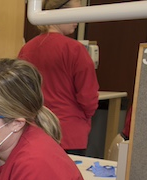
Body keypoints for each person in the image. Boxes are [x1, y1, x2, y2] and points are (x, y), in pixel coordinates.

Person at [17, 0, 99, 156]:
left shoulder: (27, 49)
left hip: (35, 131)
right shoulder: (75, 50)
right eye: (75, 14)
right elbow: (88, 99)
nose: (78, 21)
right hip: (68, 135)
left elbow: (21, 93)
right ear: (57, 12)